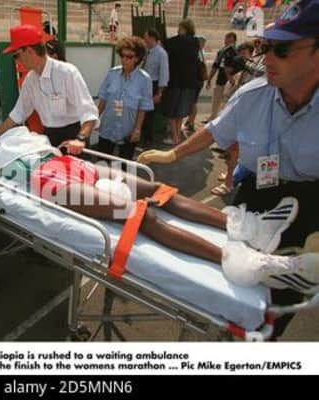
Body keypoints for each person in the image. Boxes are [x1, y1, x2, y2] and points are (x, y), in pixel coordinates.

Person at [0, 127, 319, 295]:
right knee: (140, 214)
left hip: (73, 165)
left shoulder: (18, 133)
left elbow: (56, 142)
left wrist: (73, 144)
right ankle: (244, 263)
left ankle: (246, 227)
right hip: (50, 183)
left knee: (157, 189)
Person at [136, 0, 319, 338]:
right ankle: (229, 333)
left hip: (309, 199)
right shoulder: (252, 95)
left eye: (282, 49)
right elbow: (215, 131)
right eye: (265, 47)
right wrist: (172, 155)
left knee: (284, 290)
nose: (268, 58)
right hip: (256, 191)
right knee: (233, 272)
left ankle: (263, 340)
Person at [0, 24, 99, 154]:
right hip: (49, 136)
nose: (17, 61)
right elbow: (18, 113)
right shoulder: (30, 80)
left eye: (16, 55)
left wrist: (80, 139)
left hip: (73, 138)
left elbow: (89, 112)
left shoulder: (67, 73)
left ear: (29, 51)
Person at [97, 36, 153, 159]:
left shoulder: (144, 79)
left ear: (137, 58)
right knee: (102, 162)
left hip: (128, 130)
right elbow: (103, 98)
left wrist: (137, 129)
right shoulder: (112, 73)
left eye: (129, 57)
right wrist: (95, 118)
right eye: (122, 55)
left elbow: (143, 107)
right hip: (108, 126)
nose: (124, 59)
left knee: (124, 164)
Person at [161, 19, 200, 145]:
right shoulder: (195, 42)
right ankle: (177, 135)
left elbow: (165, 45)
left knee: (171, 111)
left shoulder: (174, 41)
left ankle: (174, 137)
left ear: (183, 28)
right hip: (190, 82)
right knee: (181, 112)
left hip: (175, 81)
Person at [141, 28, 169, 148]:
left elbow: (164, 73)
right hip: (144, 83)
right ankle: (141, 136)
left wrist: (159, 93)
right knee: (142, 111)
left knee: (149, 114)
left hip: (153, 84)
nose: (145, 41)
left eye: (146, 38)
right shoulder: (148, 52)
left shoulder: (161, 53)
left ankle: (148, 140)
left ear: (152, 38)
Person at [204, 32, 238, 123]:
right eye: (226, 38)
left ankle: (221, 119)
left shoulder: (235, 51)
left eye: (229, 38)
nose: (226, 40)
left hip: (230, 80)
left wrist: (232, 80)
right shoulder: (222, 51)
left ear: (234, 40)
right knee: (216, 99)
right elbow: (215, 65)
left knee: (226, 100)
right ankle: (213, 117)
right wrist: (209, 79)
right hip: (221, 79)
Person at [182, 35, 207, 135]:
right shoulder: (200, 52)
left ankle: (191, 122)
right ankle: (190, 121)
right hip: (198, 81)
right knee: (193, 102)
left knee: (192, 102)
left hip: (196, 81)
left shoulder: (198, 53)